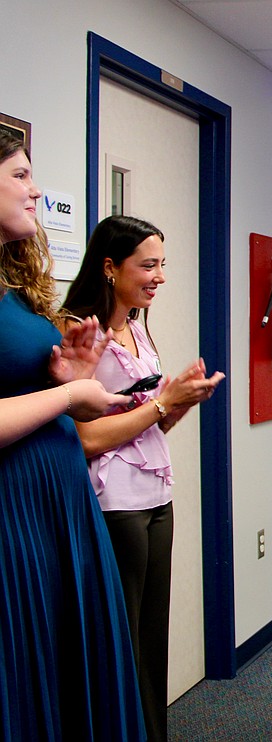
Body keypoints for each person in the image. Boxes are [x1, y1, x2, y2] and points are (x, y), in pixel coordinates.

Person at [0, 130, 146, 739]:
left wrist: (75, 375)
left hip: (58, 502)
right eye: (19, 175)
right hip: (12, 510)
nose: (36, 190)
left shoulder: (13, 287)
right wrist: (68, 394)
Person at [61, 214, 225, 742]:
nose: (158, 277)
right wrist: (162, 402)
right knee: (123, 637)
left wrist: (180, 401)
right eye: (147, 265)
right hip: (115, 503)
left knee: (153, 635)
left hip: (155, 494)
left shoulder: (136, 326)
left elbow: (147, 421)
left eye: (162, 265)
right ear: (109, 268)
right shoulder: (78, 331)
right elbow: (85, 439)